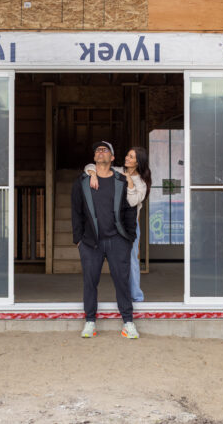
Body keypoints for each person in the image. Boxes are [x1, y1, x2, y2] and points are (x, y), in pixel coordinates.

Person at [71, 141, 139, 339]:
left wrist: (130, 238)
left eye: (105, 150)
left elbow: (130, 209)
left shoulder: (121, 180)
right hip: (91, 242)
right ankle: (90, 322)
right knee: (90, 282)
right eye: (97, 150)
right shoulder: (82, 182)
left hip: (117, 240)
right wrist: (78, 240)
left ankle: (128, 323)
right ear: (94, 158)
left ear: (112, 157)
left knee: (122, 282)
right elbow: (76, 211)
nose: (101, 152)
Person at [84, 146, 151, 302]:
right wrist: (93, 174)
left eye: (132, 157)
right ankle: (125, 296)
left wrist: (129, 183)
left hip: (130, 224)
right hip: (112, 222)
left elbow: (133, 201)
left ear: (138, 162)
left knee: (132, 260)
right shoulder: (117, 171)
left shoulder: (141, 182)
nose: (127, 158)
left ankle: (136, 296)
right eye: (128, 155)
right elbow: (90, 165)